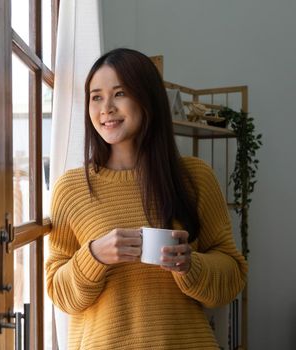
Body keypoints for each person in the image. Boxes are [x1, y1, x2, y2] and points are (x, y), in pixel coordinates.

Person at [45, 48, 248, 349]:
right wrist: (94, 256)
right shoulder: (71, 188)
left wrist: (190, 265)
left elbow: (232, 277)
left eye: (120, 93)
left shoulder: (195, 177)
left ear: (147, 98)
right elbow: (60, 294)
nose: (106, 108)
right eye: (96, 96)